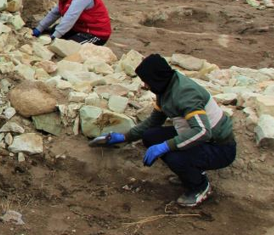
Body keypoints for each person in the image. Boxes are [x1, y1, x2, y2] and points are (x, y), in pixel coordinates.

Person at [99, 54, 236, 207]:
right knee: (150, 136)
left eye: (146, 81)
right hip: (195, 136)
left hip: (219, 147)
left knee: (174, 157)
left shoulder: (185, 94)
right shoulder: (165, 88)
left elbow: (202, 131)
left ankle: (200, 186)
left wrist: (166, 146)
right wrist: (125, 137)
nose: (145, 86)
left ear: (156, 78)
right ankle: (189, 173)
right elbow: (154, 122)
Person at [32, 0, 111, 44]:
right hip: (79, 28)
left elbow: (70, 17)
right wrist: (39, 29)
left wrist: (54, 37)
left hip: (96, 33)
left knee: (70, 46)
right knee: (54, 29)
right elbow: (55, 13)